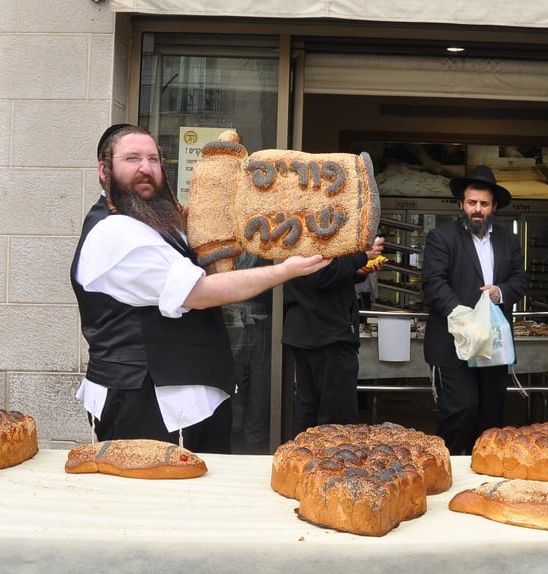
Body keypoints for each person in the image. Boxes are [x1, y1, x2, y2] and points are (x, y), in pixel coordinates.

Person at [70, 123, 331, 453]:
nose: (146, 169)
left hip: (190, 402)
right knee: (152, 502)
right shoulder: (115, 233)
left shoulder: (152, 221)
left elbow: (194, 273)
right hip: (148, 404)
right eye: (132, 159)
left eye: (153, 159)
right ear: (104, 170)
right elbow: (199, 293)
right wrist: (285, 270)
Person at [421, 165, 528, 455]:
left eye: (483, 204)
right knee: (461, 410)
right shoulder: (441, 238)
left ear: (493, 207)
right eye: (472, 203)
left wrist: (499, 292)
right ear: (461, 204)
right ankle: (451, 471)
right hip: (452, 344)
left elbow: (520, 280)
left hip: (492, 346)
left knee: (491, 418)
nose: (477, 209)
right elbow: (433, 282)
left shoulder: (509, 239)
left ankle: (484, 479)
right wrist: (461, 315)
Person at [283, 236, 384, 437]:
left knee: (308, 408)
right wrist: (362, 255)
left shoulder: (300, 232)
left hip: (309, 332)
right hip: (327, 334)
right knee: (336, 417)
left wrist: (357, 272)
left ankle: (305, 460)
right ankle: (330, 465)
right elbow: (320, 275)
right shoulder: (316, 230)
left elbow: (323, 277)